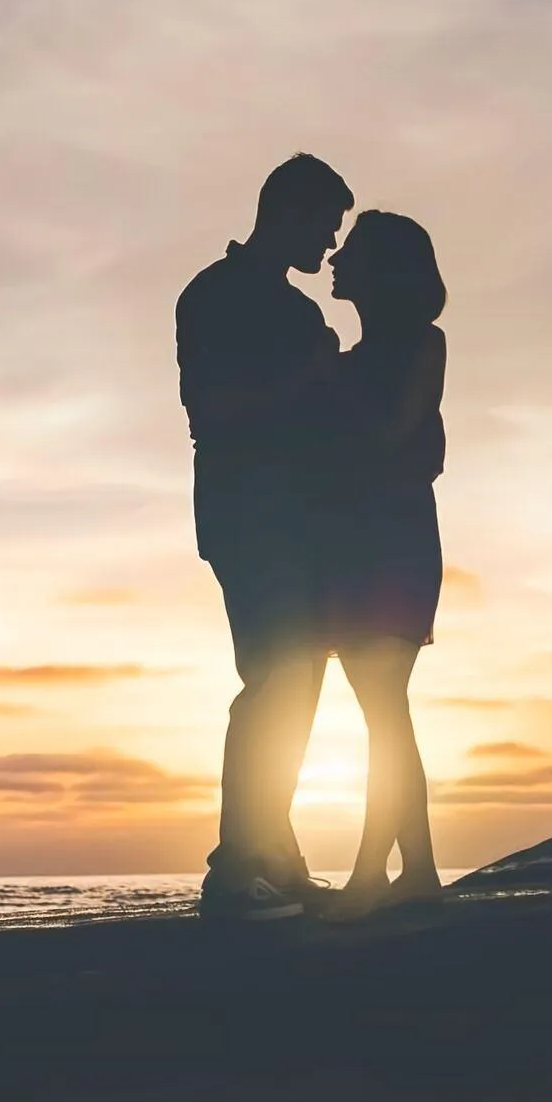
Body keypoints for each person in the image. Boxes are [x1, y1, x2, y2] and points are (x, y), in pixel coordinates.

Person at [176, 154, 352, 919]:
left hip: (303, 520)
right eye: (327, 224)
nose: (332, 244)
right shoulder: (214, 295)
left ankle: (275, 857)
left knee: (299, 683)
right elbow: (213, 410)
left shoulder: (299, 311)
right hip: (249, 516)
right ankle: (235, 865)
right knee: (272, 679)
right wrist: (310, 380)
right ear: (289, 211)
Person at [312, 210, 448, 919]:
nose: (335, 258)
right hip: (358, 546)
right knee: (384, 714)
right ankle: (415, 867)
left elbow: (396, 438)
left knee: (385, 711)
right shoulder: (343, 360)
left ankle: (378, 871)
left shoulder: (421, 345)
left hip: (391, 546)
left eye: (352, 251)